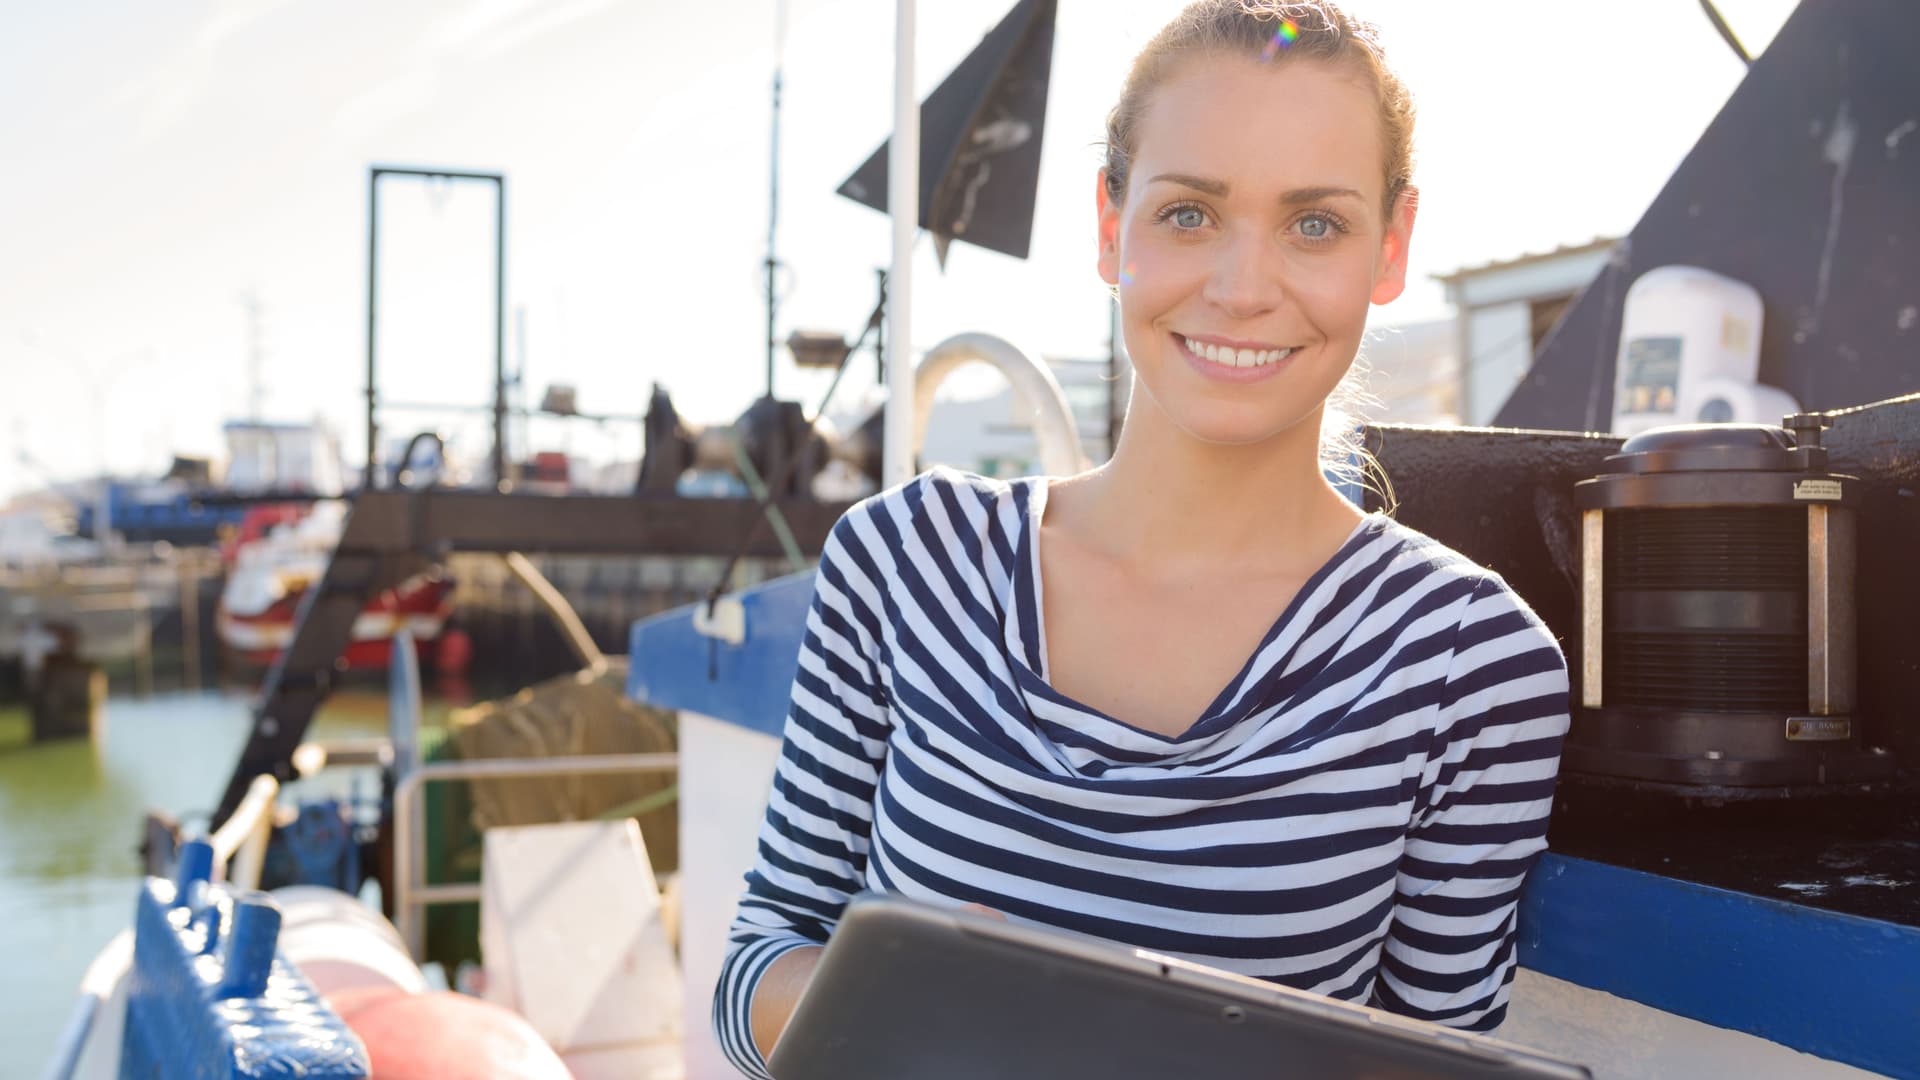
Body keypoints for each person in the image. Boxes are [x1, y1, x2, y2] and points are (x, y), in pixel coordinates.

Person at [714, 2, 1571, 1075]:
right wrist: (947, 1007)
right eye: (1189, 215)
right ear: (1111, 225)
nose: (1243, 288)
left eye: (1314, 224)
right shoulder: (904, 560)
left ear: (1388, 247)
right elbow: (756, 961)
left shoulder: (1472, 665)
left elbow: (1432, 1061)